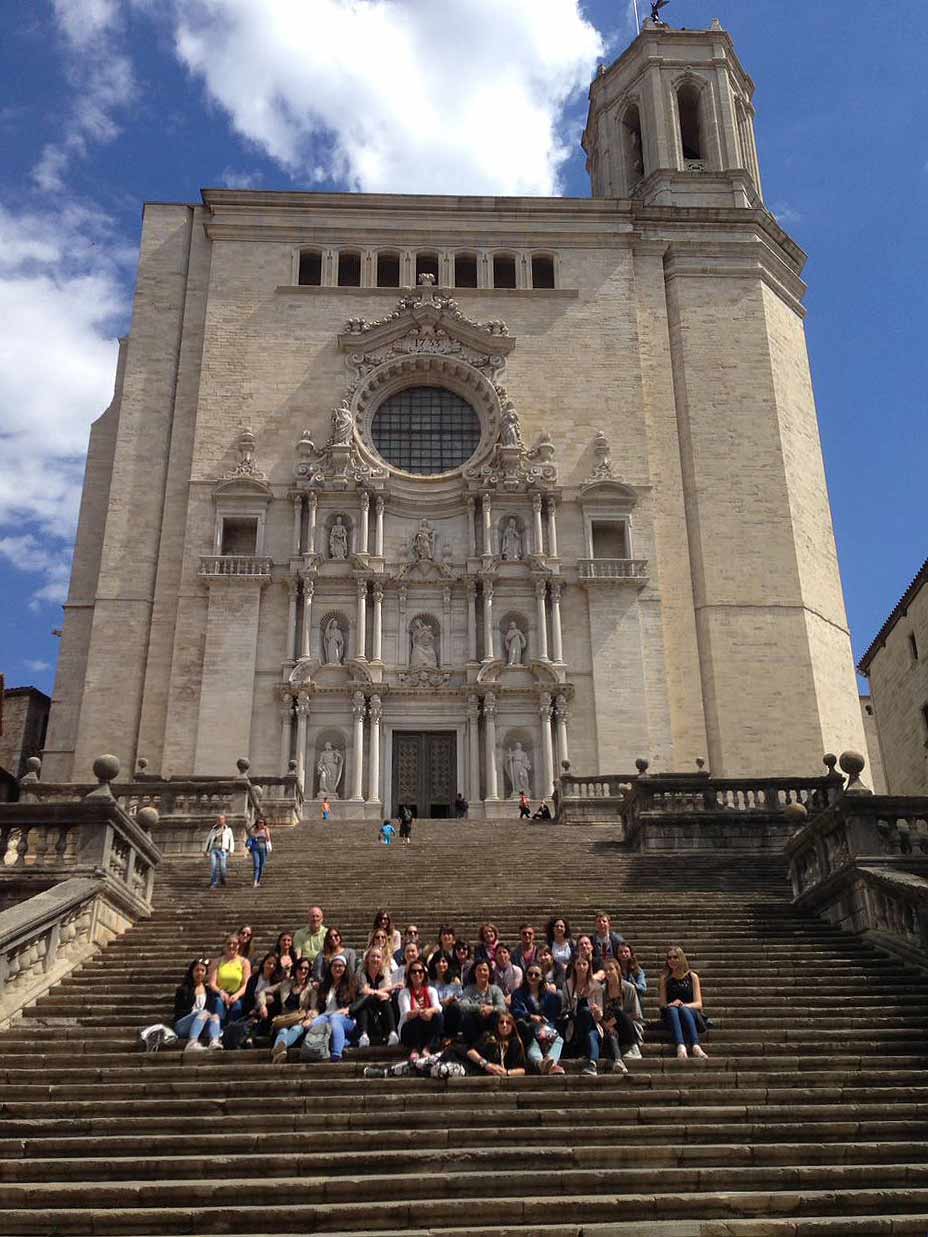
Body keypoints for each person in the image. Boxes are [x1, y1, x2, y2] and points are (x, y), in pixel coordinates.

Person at [512, 963, 564, 1074]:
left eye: (536, 974)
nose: (533, 977)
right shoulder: (518, 993)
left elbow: (553, 1015)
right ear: (525, 976)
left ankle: (548, 1064)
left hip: (545, 1028)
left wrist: (546, 1025)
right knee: (533, 1041)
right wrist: (530, 1016)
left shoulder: (549, 995)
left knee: (559, 1039)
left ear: (542, 977)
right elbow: (516, 1011)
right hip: (527, 1028)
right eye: (530, 974)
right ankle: (544, 1064)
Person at [263, 956, 316, 1064]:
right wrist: (262, 1005)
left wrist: (310, 1018)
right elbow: (263, 991)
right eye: (300, 968)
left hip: (300, 1019)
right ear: (295, 969)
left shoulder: (311, 988)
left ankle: (277, 1051)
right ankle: (280, 1051)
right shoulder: (286, 983)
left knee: (296, 1029)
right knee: (282, 1031)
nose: (303, 971)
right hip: (285, 1018)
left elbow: (314, 1008)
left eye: (306, 969)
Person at [660, 944, 708, 1061]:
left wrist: (682, 1005)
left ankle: (695, 1045)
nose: (672, 960)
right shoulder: (665, 979)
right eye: (669, 958)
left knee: (683, 1009)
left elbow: (698, 1003)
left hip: (690, 1013)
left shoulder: (692, 977)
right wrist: (672, 1005)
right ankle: (680, 1046)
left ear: (681, 958)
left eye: (675, 957)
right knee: (672, 1009)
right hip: (672, 1014)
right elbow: (662, 1004)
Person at [560, 956, 603, 1076]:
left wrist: (597, 1011)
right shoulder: (567, 985)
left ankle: (592, 1063)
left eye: (584, 964)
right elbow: (563, 1008)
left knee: (591, 1033)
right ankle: (590, 1060)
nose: (581, 967)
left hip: (593, 1024)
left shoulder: (597, 986)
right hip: (574, 1026)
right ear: (574, 966)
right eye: (578, 964)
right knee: (584, 1012)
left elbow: (600, 1016)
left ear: (589, 967)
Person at [311, 956, 357, 1062]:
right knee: (313, 1024)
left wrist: (348, 1009)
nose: (337, 968)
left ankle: (336, 1053)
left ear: (345, 968)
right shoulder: (325, 986)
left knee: (334, 1018)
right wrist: (314, 1012)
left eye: (340, 966)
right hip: (326, 1016)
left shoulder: (351, 985)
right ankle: (345, 1041)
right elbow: (321, 1006)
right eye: (335, 966)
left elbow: (356, 1003)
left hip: (346, 1018)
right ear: (330, 968)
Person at [601, 958, 644, 1071]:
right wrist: (608, 1026)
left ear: (617, 970)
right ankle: (618, 1061)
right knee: (611, 1035)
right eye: (605, 970)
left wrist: (611, 1023)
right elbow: (600, 1015)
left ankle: (633, 1046)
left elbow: (636, 1014)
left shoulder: (629, 988)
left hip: (629, 1027)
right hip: (610, 1029)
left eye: (611, 969)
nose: (608, 972)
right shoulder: (602, 990)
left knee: (618, 1012)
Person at [353, 946, 399, 1047]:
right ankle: (363, 1035)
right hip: (364, 1007)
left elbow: (387, 993)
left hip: (380, 1005)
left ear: (382, 960)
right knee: (366, 1002)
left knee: (385, 1000)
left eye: (378, 957)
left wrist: (374, 992)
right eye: (373, 956)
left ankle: (392, 1033)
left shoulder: (385, 971)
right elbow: (364, 991)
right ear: (368, 959)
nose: (375, 959)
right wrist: (381, 992)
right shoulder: (362, 973)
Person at [397, 960, 444, 1059]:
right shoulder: (404, 993)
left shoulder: (431, 990)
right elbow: (405, 1014)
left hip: (426, 1027)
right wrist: (420, 1012)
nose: (417, 974)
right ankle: (415, 1049)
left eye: (420, 971)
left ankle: (427, 1048)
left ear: (424, 974)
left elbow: (438, 1007)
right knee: (417, 1019)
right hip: (409, 1030)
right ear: (409, 975)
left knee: (438, 1016)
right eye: (414, 972)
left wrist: (430, 1011)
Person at [174, 957, 222, 1052]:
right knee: (203, 1012)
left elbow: (210, 1010)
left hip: (201, 1023)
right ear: (192, 972)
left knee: (215, 1016)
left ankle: (214, 1041)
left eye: (202, 970)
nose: (199, 973)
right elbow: (178, 1011)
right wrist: (197, 1013)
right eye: (197, 970)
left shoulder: (208, 991)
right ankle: (192, 1042)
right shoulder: (183, 989)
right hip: (183, 1025)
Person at [208, 933, 252, 1031]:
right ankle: (218, 1030)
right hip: (220, 993)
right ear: (225, 946)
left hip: (237, 994)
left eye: (235, 944)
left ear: (239, 945)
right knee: (218, 1003)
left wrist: (237, 995)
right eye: (229, 943)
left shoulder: (244, 962)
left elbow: (246, 984)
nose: (231, 946)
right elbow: (212, 983)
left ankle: (231, 1031)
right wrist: (221, 992)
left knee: (238, 1005)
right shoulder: (217, 962)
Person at [465, 1010, 526, 1078]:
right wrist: (486, 1064)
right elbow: (471, 1052)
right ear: (497, 1024)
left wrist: (507, 1073)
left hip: (507, 1081)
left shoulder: (516, 1042)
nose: (504, 1025)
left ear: (512, 1026)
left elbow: (522, 1070)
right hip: (484, 1076)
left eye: (508, 1023)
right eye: (501, 1022)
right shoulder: (488, 1036)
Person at [458, 959, 506, 1043]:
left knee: (497, 1016)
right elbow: (463, 1006)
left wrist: (491, 1008)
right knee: (467, 1018)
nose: (482, 972)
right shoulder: (469, 989)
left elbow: (502, 1008)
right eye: (479, 970)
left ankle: (494, 1043)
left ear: (489, 972)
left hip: (491, 1023)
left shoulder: (495, 989)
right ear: (474, 972)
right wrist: (480, 1008)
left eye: (485, 970)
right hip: (475, 1024)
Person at [427, 950, 463, 1036]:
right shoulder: (429, 982)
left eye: (444, 961)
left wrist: (452, 1000)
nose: (441, 964)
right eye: (438, 961)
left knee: (455, 1007)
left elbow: (460, 999)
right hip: (436, 1014)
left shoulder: (455, 981)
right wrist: (443, 1003)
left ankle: (451, 1037)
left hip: (452, 1013)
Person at [203, 814, 234, 889]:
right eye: (219, 819)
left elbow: (231, 841)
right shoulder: (213, 830)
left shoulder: (228, 830)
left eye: (222, 819)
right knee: (214, 866)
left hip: (223, 850)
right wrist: (205, 850)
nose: (220, 821)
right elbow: (208, 840)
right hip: (214, 849)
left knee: (222, 867)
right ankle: (214, 883)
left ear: (224, 820)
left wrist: (231, 850)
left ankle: (222, 879)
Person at [248, 817, 271, 887]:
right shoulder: (254, 830)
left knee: (262, 866)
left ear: (264, 823)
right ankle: (255, 881)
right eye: (259, 822)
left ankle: (258, 881)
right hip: (255, 848)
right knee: (256, 865)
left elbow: (268, 839)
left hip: (263, 849)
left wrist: (266, 830)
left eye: (262, 823)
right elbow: (250, 837)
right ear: (257, 823)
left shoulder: (266, 830)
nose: (260, 824)